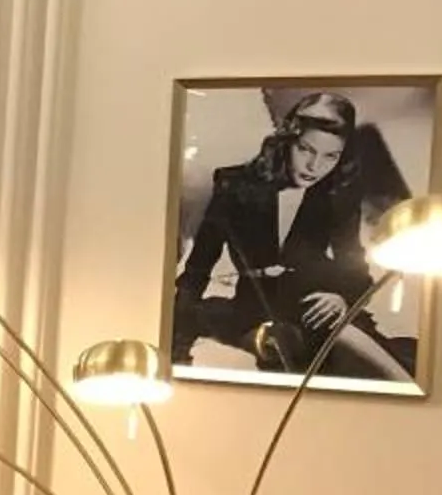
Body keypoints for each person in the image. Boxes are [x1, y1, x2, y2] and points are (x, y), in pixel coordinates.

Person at [171, 89, 415, 381]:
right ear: (286, 140)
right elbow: (198, 269)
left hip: (316, 307)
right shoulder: (234, 185)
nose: (315, 166)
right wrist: (177, 347)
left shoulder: (339, 194)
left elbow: (356, 271)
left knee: (390, 371)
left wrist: (341, 298)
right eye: (306, 150)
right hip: (253, 309)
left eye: (331, 156)